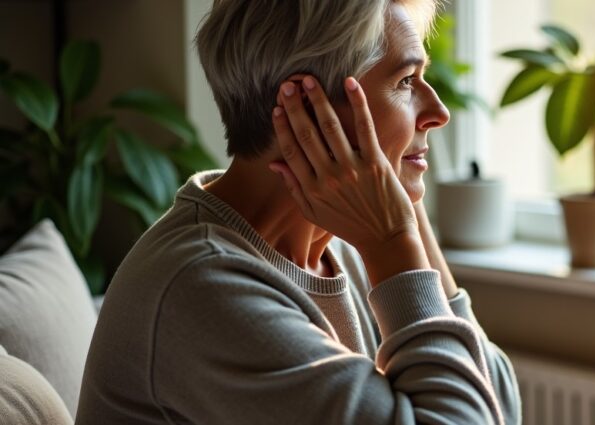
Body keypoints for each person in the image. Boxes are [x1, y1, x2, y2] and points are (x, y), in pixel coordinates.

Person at [75, 1, 520, 424]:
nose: (438, 112)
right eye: (406, 82)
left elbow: (496, 403)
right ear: (308, 104)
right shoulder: (202, 285)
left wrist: (401, 211)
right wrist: (393, 240)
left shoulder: (347, 238)